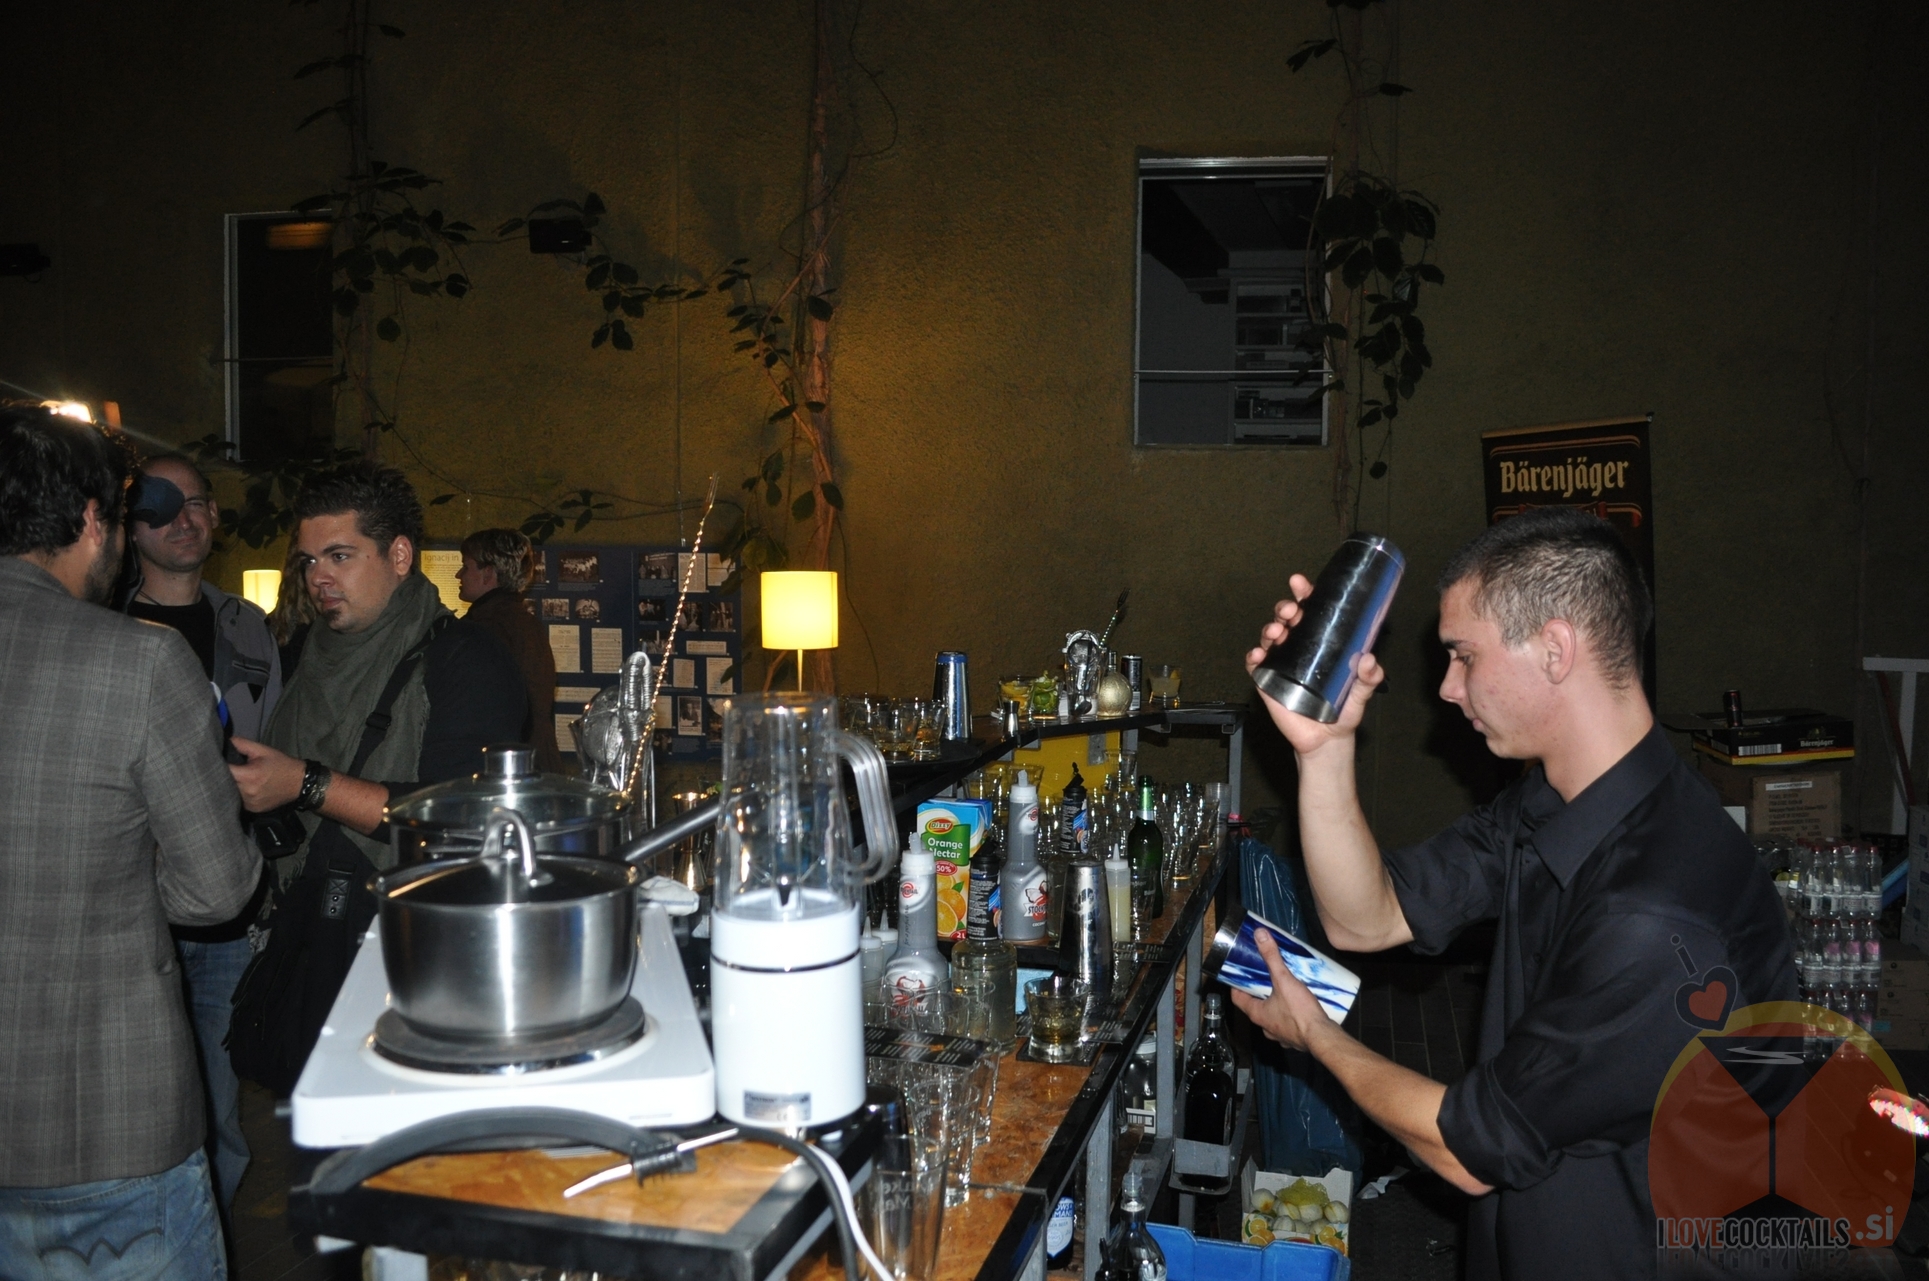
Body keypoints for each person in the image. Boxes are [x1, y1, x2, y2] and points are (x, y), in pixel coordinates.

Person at [1234, 507, 1793, 1280]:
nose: (1446, 687)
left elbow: (1467, 1150)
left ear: (1555, 649)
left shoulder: (1656, 914)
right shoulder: (1561, 801)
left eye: (1463, 655)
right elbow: (1368, 917)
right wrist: (1323, 748)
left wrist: (1315, 1034)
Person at [0, 405, 261, 1279]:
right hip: (102, 1123)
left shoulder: (228, 628)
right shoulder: (139, 659)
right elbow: (216, 888)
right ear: (91, 519)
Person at [227, 461, 527, 881]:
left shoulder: (466, 657)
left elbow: (466, 811)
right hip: (288, 902)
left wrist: (306, 784)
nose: (318, 577)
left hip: (401, 906)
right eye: (309, 560)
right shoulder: (297, 651)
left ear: (399, 556)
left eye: (339, 556)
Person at [123, 453, 280, 1216]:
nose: (182, 520)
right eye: (161, 506)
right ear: (129, 525)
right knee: (142, 1095)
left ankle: (210, 1232)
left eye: (195, 503)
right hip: (131, 903)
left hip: (226, 900)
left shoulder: (246, 625)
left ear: (215, 515)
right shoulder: (104, 624)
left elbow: (273, 741)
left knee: (218, 1098)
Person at [456, 527, 562, 772]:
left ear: (488, 574)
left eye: (466, 566)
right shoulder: (523, 622)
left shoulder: (485, 627)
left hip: (502, 766)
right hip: (532, 761)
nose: (458, 574)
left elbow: (475, 710)